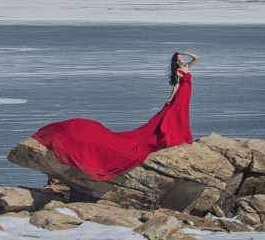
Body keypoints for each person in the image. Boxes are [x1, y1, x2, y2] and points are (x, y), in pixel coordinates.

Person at [31, 51, 198, 180]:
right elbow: (176, 86)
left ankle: (180, 135)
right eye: (180, 58)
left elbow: (197, 58)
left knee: (181, 116)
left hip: (187, 93)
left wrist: (186, 53)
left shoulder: (186, 67)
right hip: (181, 94)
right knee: (174, 116)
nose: (183, 60)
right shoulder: (178, 70)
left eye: (182, 59)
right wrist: (170, 99)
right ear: (176, 62)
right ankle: (175, 136)